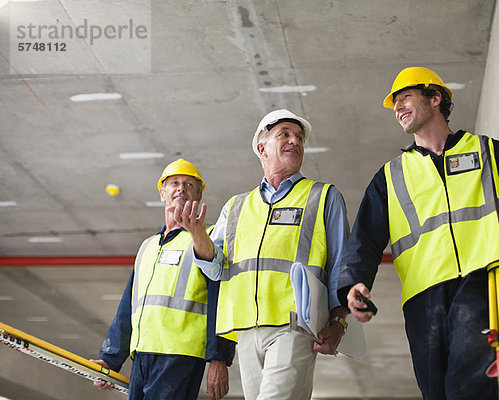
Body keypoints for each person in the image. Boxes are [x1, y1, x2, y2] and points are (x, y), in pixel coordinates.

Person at [337, 67, 499, 400]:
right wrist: (353, 283)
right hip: (422, 299)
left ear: (435, 97)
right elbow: (364, 240)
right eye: (394, 103)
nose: (397, 108)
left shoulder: (487, 153)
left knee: (466, 388)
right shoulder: (391, 176)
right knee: (436, 392)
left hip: (480, 282)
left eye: (405, 97)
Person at [182, 109, 350, 400]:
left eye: (299, 137)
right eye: (284, 134)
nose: (294, 141)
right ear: (262, 147)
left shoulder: (322, 197)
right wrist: (198, 236)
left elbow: (341, 265)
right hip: (246, 329)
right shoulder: (236, 206)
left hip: (294, 324)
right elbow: (216, 268)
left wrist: (339, 322)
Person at [91, 158, 235, 400]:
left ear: (198, 196)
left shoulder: (206, 239)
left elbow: (222, 300)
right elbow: (128, 308)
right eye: (175, 183)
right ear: (162, 193)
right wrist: (110, 358)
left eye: (190, 185)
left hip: (180, 355)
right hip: (143, 354)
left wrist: (219, 358)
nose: (181, 188)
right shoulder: (147, 247)